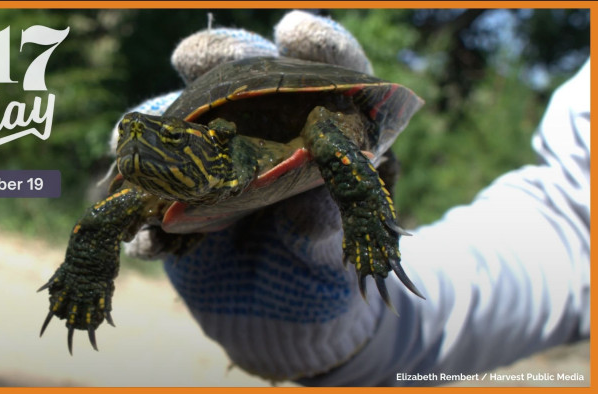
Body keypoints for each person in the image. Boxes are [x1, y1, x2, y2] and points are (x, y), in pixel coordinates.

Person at [115, 11, 590, 386]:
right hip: (214, 192)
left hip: (310, 128)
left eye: (162, 141)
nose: (139, 141)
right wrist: (363, 334)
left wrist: (366, 216)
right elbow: (569, 229)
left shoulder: (303, 131)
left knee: (325, 127)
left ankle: (375, 177)